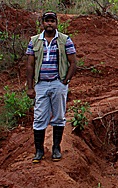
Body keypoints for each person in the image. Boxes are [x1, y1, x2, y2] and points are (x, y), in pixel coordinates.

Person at [25, 11, 77, 163]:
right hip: (40, 84)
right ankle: (39, 151)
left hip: (57, 83)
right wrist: (30, 87)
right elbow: (30, 64)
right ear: (42, 23)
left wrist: (65, 81)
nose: (49, 24)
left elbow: (73, 63)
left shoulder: (65, 40)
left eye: (52, 21)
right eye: (47, 21)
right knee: (39, 117)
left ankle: (56, 148)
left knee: (59, 117)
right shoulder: (34, 41)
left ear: (56, 23)